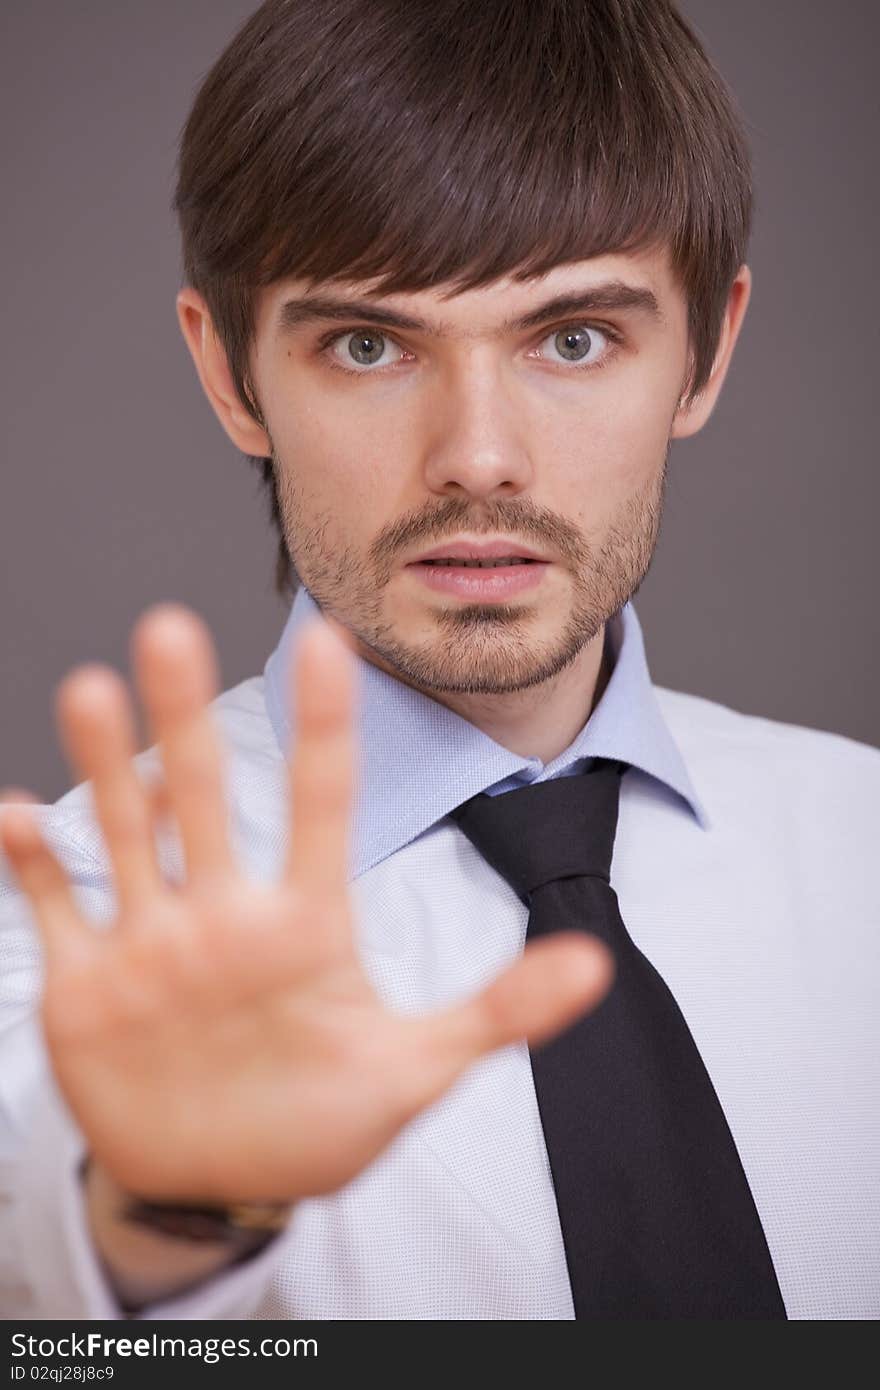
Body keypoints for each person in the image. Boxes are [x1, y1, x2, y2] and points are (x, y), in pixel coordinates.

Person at [0, 0, 877, 1322]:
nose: (478, 454)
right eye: (368, 343)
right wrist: (166, 1220)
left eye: (573, 338)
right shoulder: (58, 942)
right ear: (232, 375)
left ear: (706, 348)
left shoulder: (865, 845)